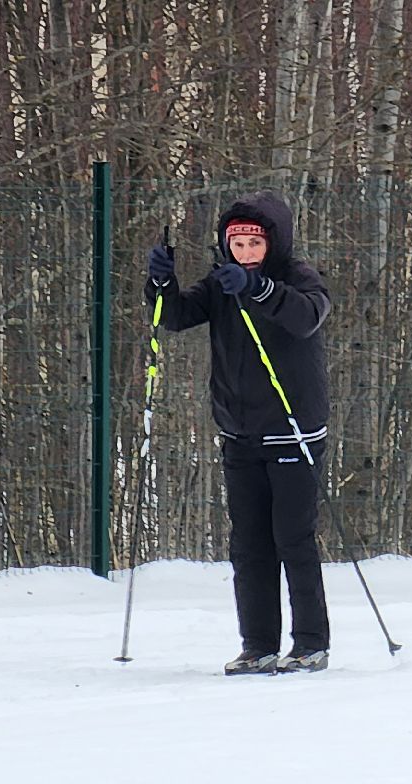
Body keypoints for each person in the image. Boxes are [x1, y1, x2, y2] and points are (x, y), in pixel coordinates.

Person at [145, 191, 333, 675]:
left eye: (254, 244)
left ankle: (310, 642)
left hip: (292, 433)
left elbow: (306, 317)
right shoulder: (220, 282)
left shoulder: (299, 279)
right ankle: (258, 644)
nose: (245, 253)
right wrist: (162, 282)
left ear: (273, 243)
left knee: (293, 539)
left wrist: (257, 288)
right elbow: (174, 317)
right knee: (249, 546)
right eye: (237, 244)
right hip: (240, 434)